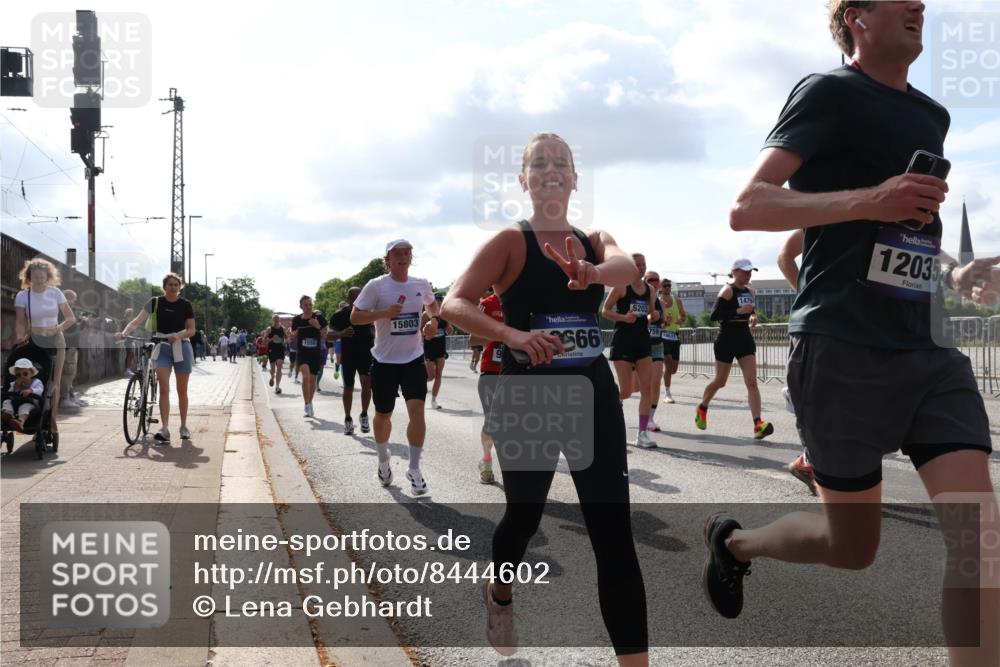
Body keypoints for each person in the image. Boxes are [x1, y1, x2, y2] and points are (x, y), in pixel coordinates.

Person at [704, 4, 998, 665]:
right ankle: (736, 544)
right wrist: (871, 199)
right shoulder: (828, 92)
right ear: (858, 18)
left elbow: (906, 230)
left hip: (927, 350)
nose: (919, 5)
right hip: (842, 348)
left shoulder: (932, 116)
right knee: (853, 547)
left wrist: (958, 272)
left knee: (980, 537)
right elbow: (747, 207)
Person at [441, 133, 648, 665]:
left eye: (563, 164)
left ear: (576, 178)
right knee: (525, 517)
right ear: (524, 180)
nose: (552, 171)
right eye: (540, 164)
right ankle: (500, 591)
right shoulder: (511, 241)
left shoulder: (593, 236)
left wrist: (594, 274)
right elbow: (453, 304)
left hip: (593, 392)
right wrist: (511, 336)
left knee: (614, 537)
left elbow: (629, 268)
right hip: (529, 393)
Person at [351, 239, 440, 496]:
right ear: (387, 259)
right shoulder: (376, 286)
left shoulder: (420, 284)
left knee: (418, 411)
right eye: (397, 254)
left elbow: (433, 306)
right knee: (383, 415)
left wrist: (433, 321)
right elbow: (355, 317)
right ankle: (383, 460)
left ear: (412, 257)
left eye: (407, 253)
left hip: (413, 358)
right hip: (384, 361)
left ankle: (414, 469)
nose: (403, 257)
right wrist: (383, 313)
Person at [694, 259, 774, 440]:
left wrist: (753, 316)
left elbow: (751, 310)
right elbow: (715, 315)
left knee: (752, 382)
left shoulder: (750, 291)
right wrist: (738, 312)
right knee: (720, 381)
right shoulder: (727, 290)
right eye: (745, 272)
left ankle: (758, 424)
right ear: (734, 272)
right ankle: (703, 406)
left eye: (750, 272)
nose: (748, 275)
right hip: (726, 340)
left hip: (744, 339)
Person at [116, 272, 196, 442]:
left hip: (182, 346)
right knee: (164, 388)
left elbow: (191, 329)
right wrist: (124, 333)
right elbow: (137, 321)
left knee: (182, 390)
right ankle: (165, 428)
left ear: (179, 287)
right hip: (161, 347)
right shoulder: (155, 302)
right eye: (170, 284)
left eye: (176, 285)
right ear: (164, 286)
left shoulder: (185, 304)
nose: (173, 287)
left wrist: (179, 336)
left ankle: (183, 426)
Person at [13, 258, 76, 446]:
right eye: (35, 276)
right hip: (34, 341)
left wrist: (58, 328)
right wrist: (20, 336)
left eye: (42, 276)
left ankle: (52, 421)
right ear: (29, 277)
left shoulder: (55, 293)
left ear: (47, 277)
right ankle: (36, 420)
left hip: (55, 340)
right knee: (34, 380)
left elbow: (70, 318)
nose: (39, 280)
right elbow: (20, 321)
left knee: (53, 384)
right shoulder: (23, 296)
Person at [602, 252, 657, 449]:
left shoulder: (650, 289)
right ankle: (606, 410)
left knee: (647, 388)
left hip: (642, 342)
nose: (641, 268)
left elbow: (649, 314)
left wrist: (654, 314)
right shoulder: (621, 286)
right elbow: (605, 311)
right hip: (623, 342)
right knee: (625, 391)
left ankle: (642, 434)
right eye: (637, 265)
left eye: (644, 264)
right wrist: (625, 318)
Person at [469, 287, 504, 484]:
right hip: (491, 372)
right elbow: (473, 339)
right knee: (492, 423)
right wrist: (503, 334)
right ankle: (487, 460)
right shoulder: (487, 304)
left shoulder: (522, 299)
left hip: (516, 372)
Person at [329, 287, 374, 436]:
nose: (357, 299)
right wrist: (341, 333)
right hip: (348, 355)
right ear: (348, 299)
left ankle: (364, 415)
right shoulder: (339, 316)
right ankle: (348, 419)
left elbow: (379, 330)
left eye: (359, 295)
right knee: (348, 387)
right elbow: (328, 336)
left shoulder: (369, 312)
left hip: (366, 354)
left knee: (366, 384)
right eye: (353, 297)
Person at [291, 296, 327, 418]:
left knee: (312, 380)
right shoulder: (296, 320)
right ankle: (306, 404)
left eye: (310, 304)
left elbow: (325, 334)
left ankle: (310, 402)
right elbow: (294, 335)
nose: (308, 307)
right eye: (306, 305)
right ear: (301, 306)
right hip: (303, 352)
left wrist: (317, 326)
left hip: (315, 353)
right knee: (305, 377)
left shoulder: (319, 318)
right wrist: (290, 336)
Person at [641, 272, 664, 432]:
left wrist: (662, 323)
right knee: (633, 387)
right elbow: (634, 321)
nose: (654, 283)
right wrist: (648, 319)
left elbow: (661, 323)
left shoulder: (660, 303)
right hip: (640, 345)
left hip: (656, 345)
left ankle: (650, 418)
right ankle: (617, 404)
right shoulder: (639, 297)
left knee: (655, 383)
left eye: (657, 280)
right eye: (651, 280)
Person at [422, 293, 454, 410]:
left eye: (441, 301)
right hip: (429, 348)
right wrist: (425, 331)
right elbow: (419, 332)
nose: (439, 303)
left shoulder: (444, 316)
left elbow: (450, 330)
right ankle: (417, 385)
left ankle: (434, 400)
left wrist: (450, 329)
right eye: (437, 301)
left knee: (438, 375)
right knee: (430, 377)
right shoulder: (426, 315)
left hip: (440, 347)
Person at [658, 277, 686, 403]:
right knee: (668, 365)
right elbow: (652, 321)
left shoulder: (677, 300)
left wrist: (681, 320)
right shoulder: (657, 301)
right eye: (664, 286)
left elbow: (684, 316)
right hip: (662, 336)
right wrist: (663, 323)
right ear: (660, 287)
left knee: (673, 369)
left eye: (669, 285)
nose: (667, 287)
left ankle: (662, 377)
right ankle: (667, 393)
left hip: (674, 336)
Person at [2, 358, 45, 432]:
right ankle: (8, 414)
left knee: (24, 407)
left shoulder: (36, 382)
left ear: (31, 373)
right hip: (15, 403)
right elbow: (10, 394)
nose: (22, 376)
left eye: (25, 374)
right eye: (18, 375)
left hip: (30, 402)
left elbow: (40, 390)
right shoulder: (14, 383)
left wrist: (31, 390)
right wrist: (16, 386)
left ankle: (20, 422)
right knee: (6, 402)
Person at [58, 289, 83, 411]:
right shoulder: (63, 309)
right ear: (68, 298)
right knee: (68, 372)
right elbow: (69, 327)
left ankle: (70, 397)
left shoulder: (64, 309)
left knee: (70, 373)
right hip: (68, 345)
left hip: (70, 345)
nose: (75, 301)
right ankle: (65, 399)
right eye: (73, 299)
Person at [266, 315, 287, 394]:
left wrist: (286, 341)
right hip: (272, 350)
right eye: (275, 320)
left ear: (279, 320)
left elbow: (287, 338)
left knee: (279, 367)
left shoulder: (283, 329)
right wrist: (272, 339)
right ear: (272, 320)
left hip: (280, 349)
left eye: (277, 320)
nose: (276, 321)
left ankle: (277, 386)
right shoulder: (269, 329)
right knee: (273, 369)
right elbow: (264, 340)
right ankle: (272, 377)